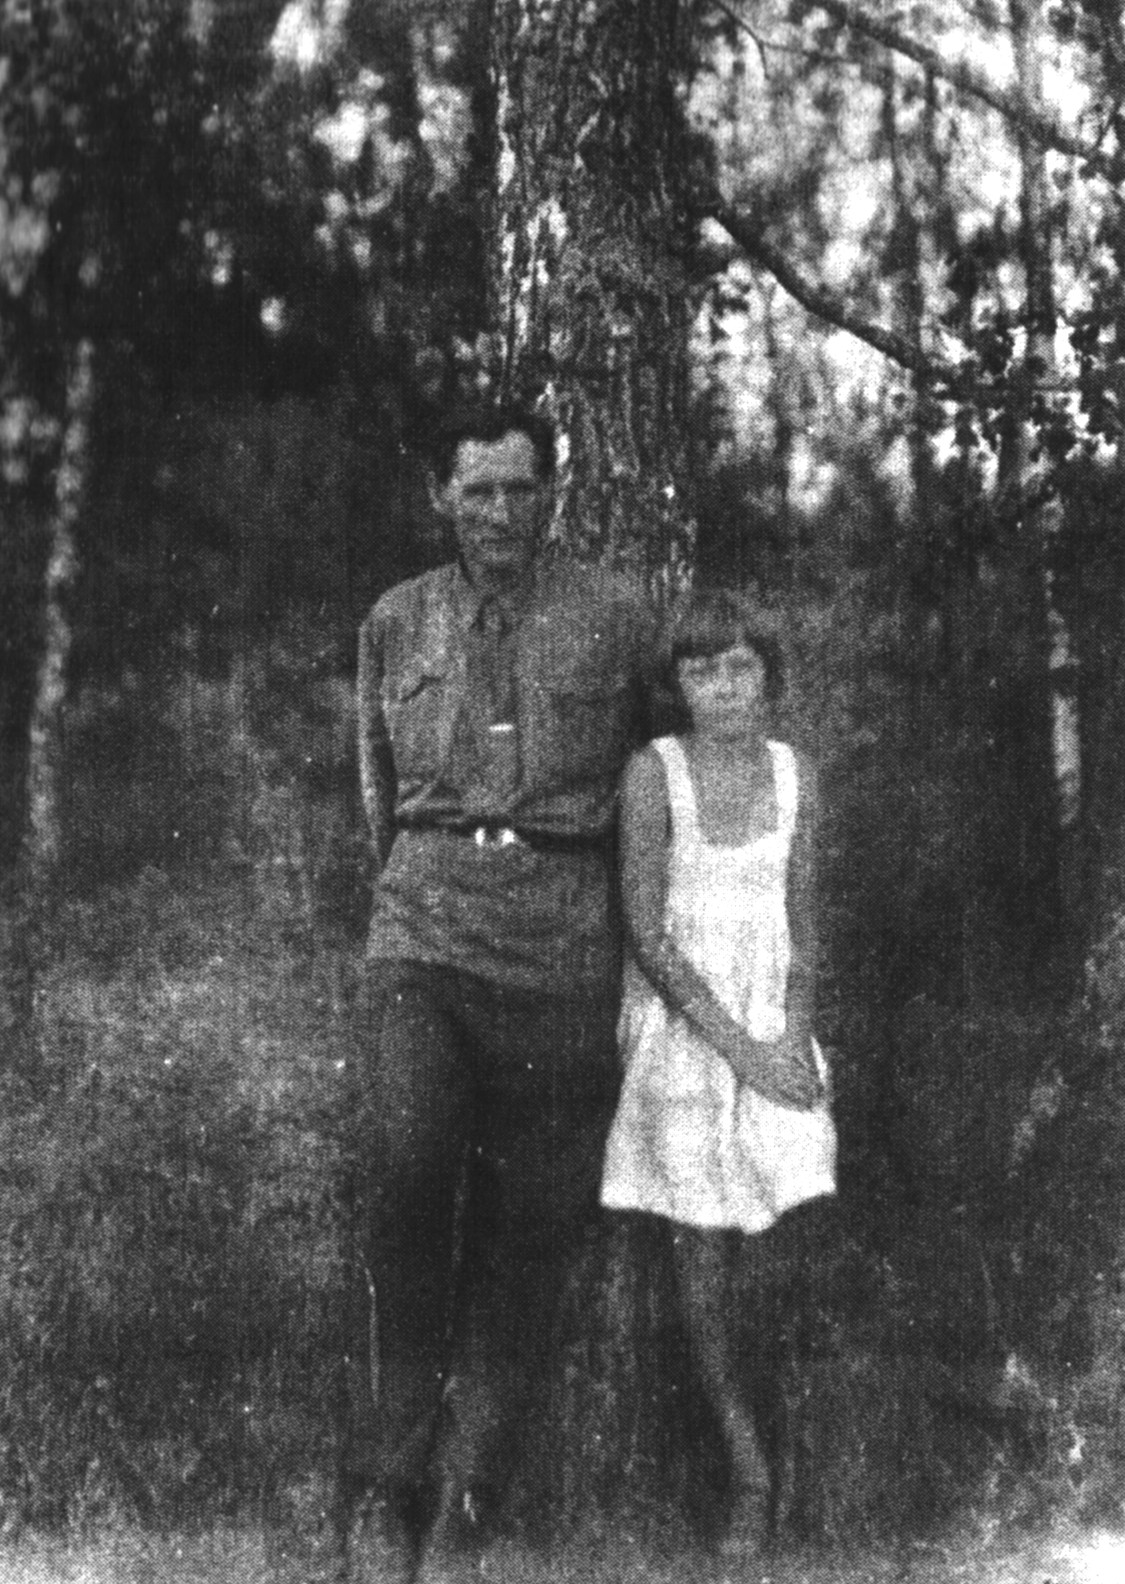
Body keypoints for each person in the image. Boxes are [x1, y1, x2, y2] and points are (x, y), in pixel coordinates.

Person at [349, 403, 655, 1583]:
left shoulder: (616, 618)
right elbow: (376, 793)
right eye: (476, 490)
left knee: (534, 1227)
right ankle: (387, 1486)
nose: (498, 513)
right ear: (444, 497)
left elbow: (654, 784)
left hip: (562, 940)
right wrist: (418, 888)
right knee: (407, 1176)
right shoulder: (396, 620)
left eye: (520, 489)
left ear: (551, 495)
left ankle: (464, 1504)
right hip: (425, 930)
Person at [600, 587, 838, 1552]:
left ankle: (804, 1450)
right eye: (701, 671)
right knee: (699, 1253)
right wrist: (737, 1051)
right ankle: (747, 1470)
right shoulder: (653, 772)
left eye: (740, 666)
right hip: (682, 1027)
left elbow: (803, 924)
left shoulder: (794, 772)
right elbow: (647, 932)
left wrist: (788, 1042)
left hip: (773, 1023)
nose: (724, 687)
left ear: (767, 676)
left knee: (787, 1207)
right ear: (678, 685)